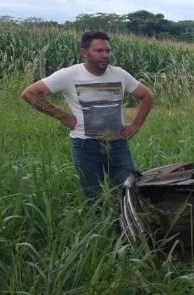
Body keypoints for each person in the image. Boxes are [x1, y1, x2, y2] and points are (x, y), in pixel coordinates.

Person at [21, 30, 154, 202]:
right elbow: (30, 93)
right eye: (99, 51)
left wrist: (136, 125)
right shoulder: (69, 75)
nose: (105, 55)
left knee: (127, 192)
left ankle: (124, 225)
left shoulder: (119, 74)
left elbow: (147, 96)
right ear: (84, 52)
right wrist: (63, 116)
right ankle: (100, 225)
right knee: (93, 196)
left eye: (107, 51)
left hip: (118, 144)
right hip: (85, 146)